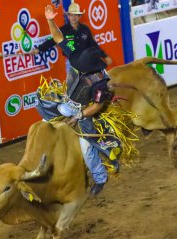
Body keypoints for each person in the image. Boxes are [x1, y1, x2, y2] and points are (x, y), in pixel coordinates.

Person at [37, 5, 122, 196]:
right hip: (69, 103)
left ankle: (100, 177)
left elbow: (97, 106)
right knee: (45, 118)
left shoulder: (100, 82)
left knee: (87, 147)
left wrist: (79, 116)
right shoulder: (76, 56)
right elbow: (58, 38)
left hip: (83, 111)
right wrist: (50, 20)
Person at [31, 1, 112, 86]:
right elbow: (52, 41)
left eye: (76, 15)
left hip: (85, 61)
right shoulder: (63, 30)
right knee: (72, 86)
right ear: (68, 16)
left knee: (89, 85)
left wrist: (105, 56)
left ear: (79, 16)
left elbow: (93, 44)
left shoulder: (85, 29)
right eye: (71, 15)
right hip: (71, 62)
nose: (73, 17)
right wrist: (39, 49)